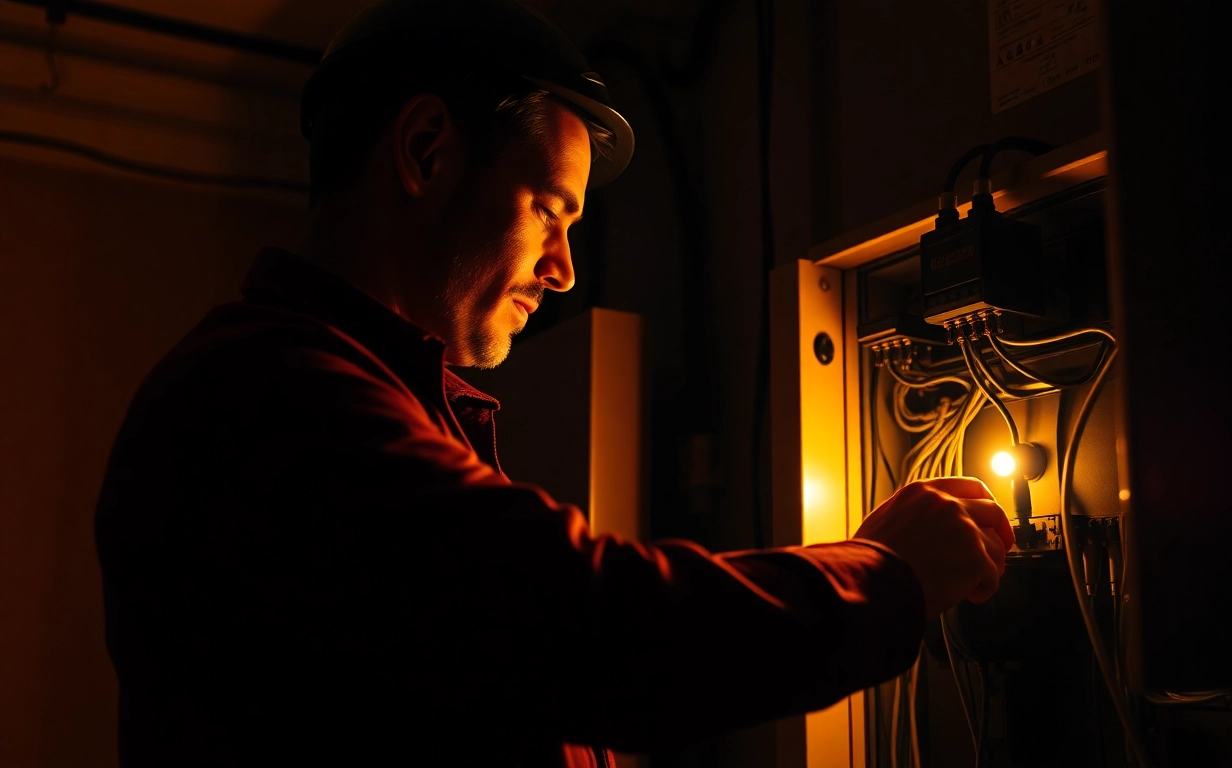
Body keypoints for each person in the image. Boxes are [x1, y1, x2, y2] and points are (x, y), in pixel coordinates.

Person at [93, 1, 1014, 766]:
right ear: (424, 151)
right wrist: (883, 577)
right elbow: (595, 627)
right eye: (548, 210)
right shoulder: (269, 396)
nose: (564, 267)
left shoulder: (370, 401)